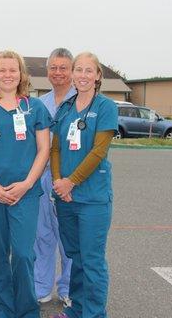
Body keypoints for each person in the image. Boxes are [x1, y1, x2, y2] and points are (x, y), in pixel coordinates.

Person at [0, 50, 51, 318]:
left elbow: (43, 150)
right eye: (2, 70)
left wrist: (27, 183)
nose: (7, 75)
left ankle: (27, 310)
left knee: (24, 254)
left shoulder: (34, 107)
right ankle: (3, 309)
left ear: (21, 74)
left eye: (12, 70)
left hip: (24, 194)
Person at [49, 52, 118, 318]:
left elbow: (98, 151)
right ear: (73, 74)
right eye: (79, 70)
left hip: (92, 199)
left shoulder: (106, 107)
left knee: (92, 261)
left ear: (98, 76)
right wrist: (58, 182)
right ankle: (76, 310)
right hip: (65, 198)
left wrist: (71, 182)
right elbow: (55, 149)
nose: (83, 75)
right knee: (75, 258)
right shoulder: (65, 109)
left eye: (90, 71)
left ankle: (94, 314)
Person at [34, 48, 76, 308]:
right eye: (53, 68)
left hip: (68, 179)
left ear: (71, 71)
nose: (58, 72)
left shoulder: (81, 102)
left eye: (63, 67)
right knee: (42, 233)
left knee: (68, 236)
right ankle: (40, 286)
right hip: (41, 176)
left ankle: (69, 287)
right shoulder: (41, 103)